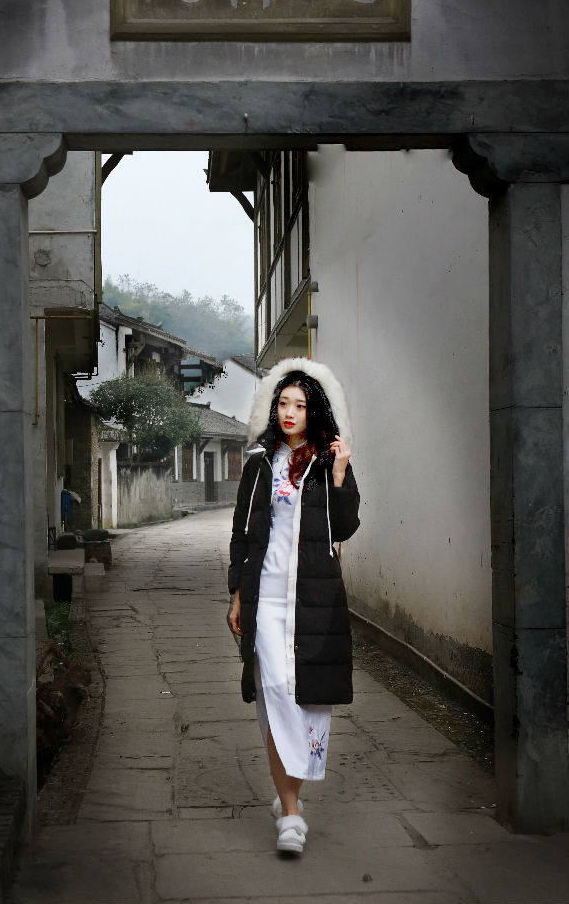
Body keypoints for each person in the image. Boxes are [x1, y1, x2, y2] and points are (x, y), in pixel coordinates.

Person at [228, 357, 360, 855]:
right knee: (276, 692)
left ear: (314, 411)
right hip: (266, 597)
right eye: (283, 403)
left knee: (306, 699)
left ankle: (289, 800)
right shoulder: (260, 464)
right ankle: (290, 813)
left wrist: (341, 474)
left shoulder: (328, 463)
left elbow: (344, 528)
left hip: (313, 599)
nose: (289, 412)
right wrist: (237, 593)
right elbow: (241, 532)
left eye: (300, 405)